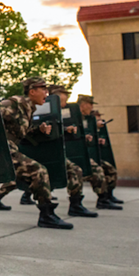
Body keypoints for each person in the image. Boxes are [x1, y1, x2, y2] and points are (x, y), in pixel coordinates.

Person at [0, 78, 73, 230]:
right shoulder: (15, 103)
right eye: (43, 89)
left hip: (10, 148)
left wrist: (38, 130)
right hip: (2, 149)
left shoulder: (29, 108)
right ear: (32, 91)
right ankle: (47, 216)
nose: (47, 92)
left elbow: (22, 130)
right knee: (38, 171)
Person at [47, 85, 98, 217]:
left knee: (75, 171)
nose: (64, 105)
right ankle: (45, 210)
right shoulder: (44, 109)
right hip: (43, 151)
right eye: (62, 101)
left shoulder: (59, 112)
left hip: (57, 151)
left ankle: (75, 205)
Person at [78, 95, 123, 209]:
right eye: (90, 104)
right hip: (80, 155)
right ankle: (102, 199)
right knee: (97, 171)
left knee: (110, 169)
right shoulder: (77, 118)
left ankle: (108, 195)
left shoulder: (88, 119)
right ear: (83, 105)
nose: (92, 107)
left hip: (90, 154)